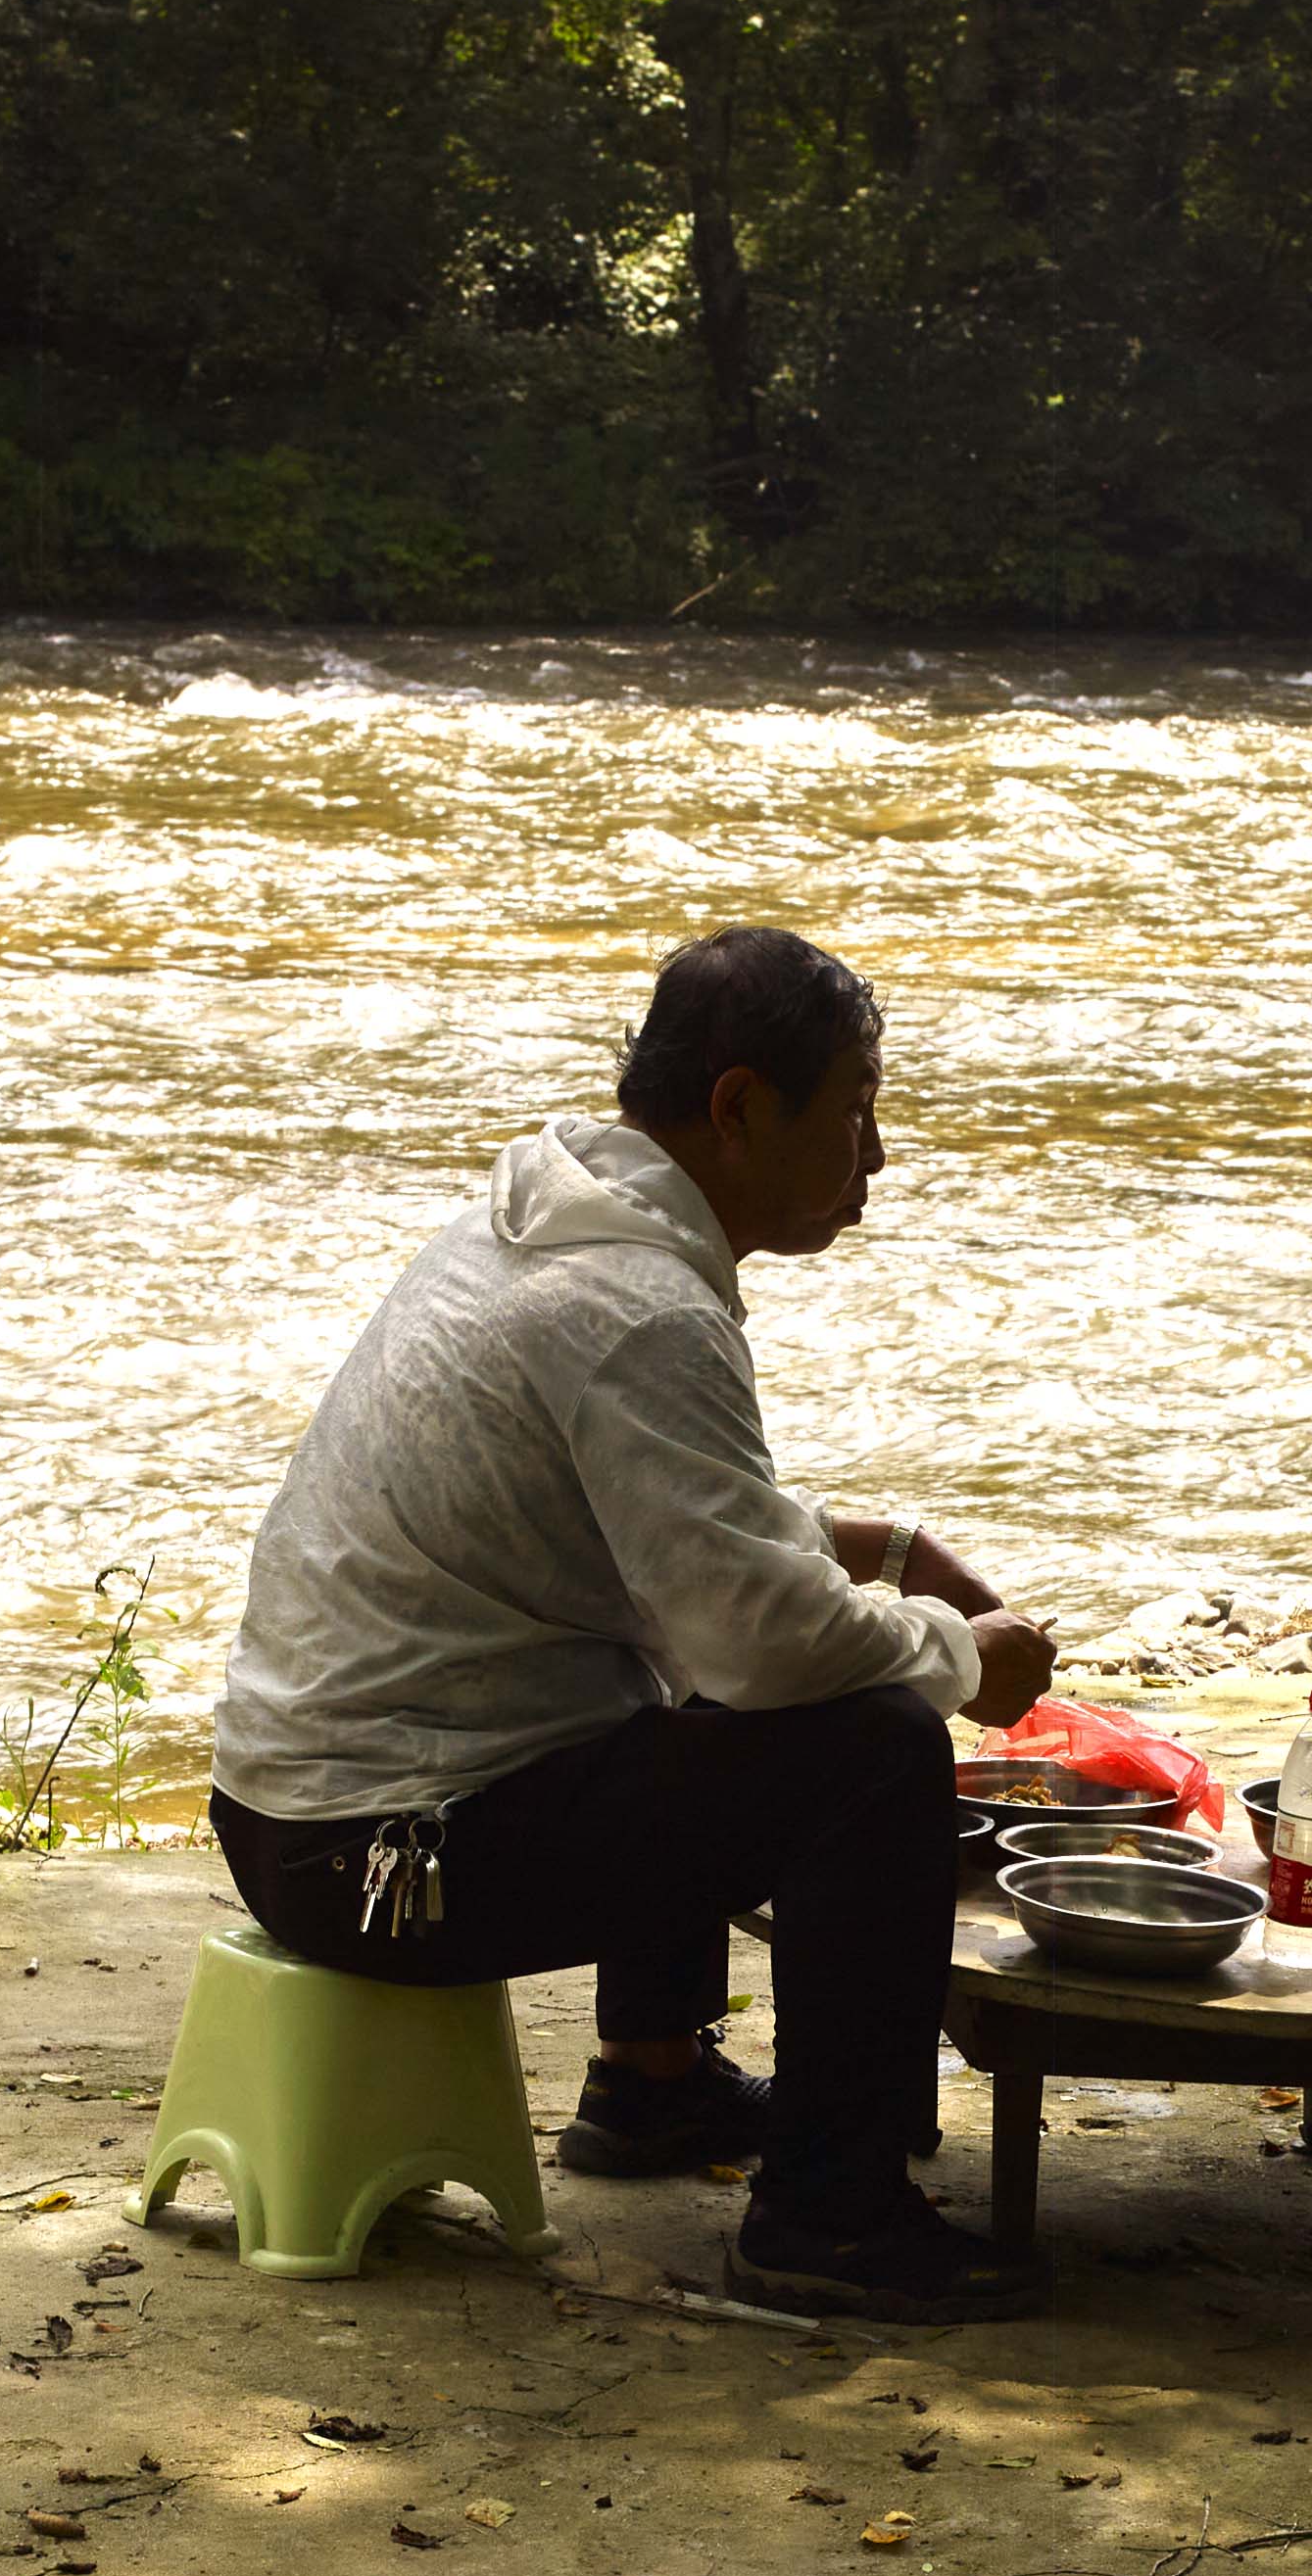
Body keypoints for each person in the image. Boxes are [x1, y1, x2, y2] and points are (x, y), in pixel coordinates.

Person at [212, 926, 1060, 2327]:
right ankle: (828, 2221)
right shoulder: (635, 1309)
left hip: (306, 1821)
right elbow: (767, 1643)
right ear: (739, 1110)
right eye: (854, 1111)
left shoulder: (559, 1218)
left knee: (712, 1695)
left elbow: (690, 1545)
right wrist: (962, 1656)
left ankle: (655, 2081)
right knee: (868, 1746)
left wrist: (895, 1556)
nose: (879, 1155)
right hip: (376, 1861)